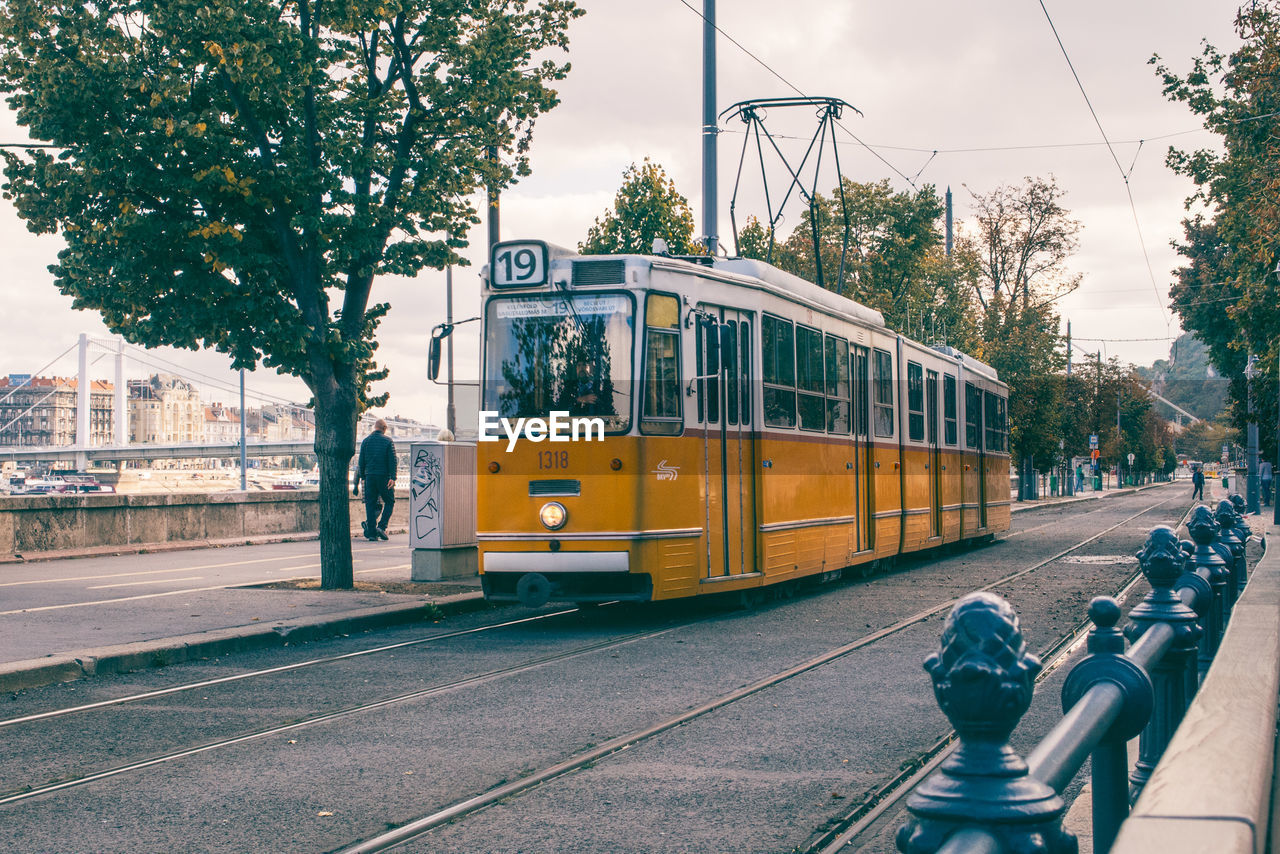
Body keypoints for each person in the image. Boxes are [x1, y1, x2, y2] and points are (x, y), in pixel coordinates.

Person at [354, 418, 396, 541]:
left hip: (369, 477)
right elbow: (392, 461)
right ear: (384, 429)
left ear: (375, 428)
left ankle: (372, 533)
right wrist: (393, 477)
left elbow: (361, 462)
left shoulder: (365, 441)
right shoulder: (388, 441)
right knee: (390, 501)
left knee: (370, 504)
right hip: (384, 477)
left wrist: (363, 478)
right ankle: (382, 527)